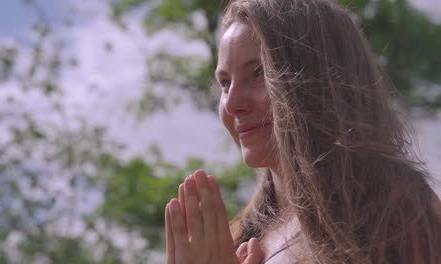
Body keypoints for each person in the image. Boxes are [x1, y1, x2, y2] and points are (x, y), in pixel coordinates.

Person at [164, 0, 441, 263]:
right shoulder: (239, 240)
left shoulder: (399, 213)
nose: (233, 104)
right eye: (225, 83)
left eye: (260, 72)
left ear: (323, 81)